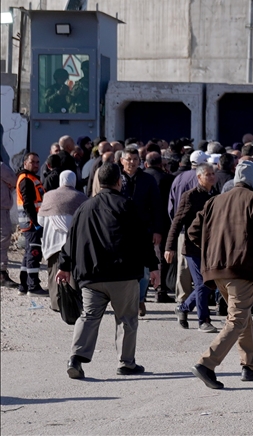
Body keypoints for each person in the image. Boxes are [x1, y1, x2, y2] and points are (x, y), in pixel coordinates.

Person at [57, 163, 159, 379]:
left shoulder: (83, 208)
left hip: (90, 276)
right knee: (127, 319)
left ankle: (75, 358)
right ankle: (126, 363)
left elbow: (70, 240)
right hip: (123, 274)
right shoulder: (127, 205)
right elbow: (143, 238)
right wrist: (153, 266)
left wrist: (64, 266)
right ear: (119, 181)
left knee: (89, 316)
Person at [186, 162, 253, 390]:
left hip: (216, 269)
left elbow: (192, 232)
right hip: (243, 270)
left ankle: (250, 366)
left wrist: (211, 251)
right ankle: (206, 363)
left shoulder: (214, 200)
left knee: (242, 315)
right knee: (237, 318)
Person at [165, 164, 219, 332]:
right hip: (193, 248)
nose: (211, 177)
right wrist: (170, 247)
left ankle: (183, 308)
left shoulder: (217, 196)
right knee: (202, 283)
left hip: (211, 248)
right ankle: (203, 320)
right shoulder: (190, 196)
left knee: (210, 283)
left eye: (212, 174)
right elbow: (177, 222)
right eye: (207, 174)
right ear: (199, 177)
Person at [119, 147, 163, 317]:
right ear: (122, 161)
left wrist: (157, 230)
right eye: (128, 159)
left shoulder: (148, 180)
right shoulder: (117, 178)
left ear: (140, 161)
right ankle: (125, 300)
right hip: (121, 231)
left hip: (144, 230)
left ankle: (140, 299)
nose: (132, 163)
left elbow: (157, 206)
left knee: (145, 269)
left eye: (135, 159)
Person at [38, 171, 87, 311]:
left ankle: (55, 304)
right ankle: (73, 304)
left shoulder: (49, 196)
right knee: (73, 274)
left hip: (53, 241)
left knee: (54, 273)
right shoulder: (81, 197)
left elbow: (40, 221)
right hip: (73, 242)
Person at [143, 152, 175, 303]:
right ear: (161, 164)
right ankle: (160, 290)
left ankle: (145, 287)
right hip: (162, 222)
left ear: (146, 163)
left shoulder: (140, 177)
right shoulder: (168, 178)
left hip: (143, 221)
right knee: (160, 255)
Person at [16, 153, 48, 296]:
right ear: (25, 163)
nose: (36, 165)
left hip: (31, 222)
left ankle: (24, 285)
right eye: (32, 162)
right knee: (34, 254)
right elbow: (28, 203)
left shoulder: (33, 178)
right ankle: (33, 286)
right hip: (32, 223)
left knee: (28, 253)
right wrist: (36, 222)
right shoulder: (26, 180)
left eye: (37, 162)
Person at [0, 161, 17, 288]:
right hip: (1, 208)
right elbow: (14, 180)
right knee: (3, 238)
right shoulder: (1, 166)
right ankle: (1, 274)